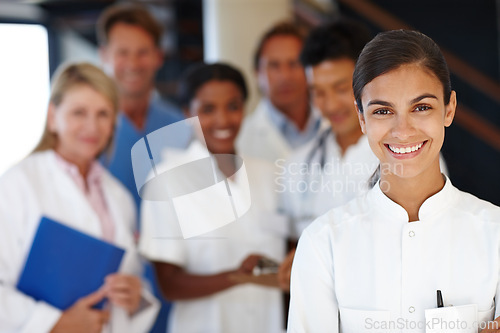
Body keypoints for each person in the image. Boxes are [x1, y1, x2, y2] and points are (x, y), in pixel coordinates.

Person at [287, 29, 500, 332]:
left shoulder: (495, 234)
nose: (403, 130)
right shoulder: (324, 243)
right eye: (383, 111)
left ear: (449, 108)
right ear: (362, 118)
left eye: (421, 107)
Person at [0, 62, 159, 333]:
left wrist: (136, 298)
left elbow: (129, 276)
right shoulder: (16, 184)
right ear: (53, 117)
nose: (92, 126)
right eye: (79, 113)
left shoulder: (118, 197)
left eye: (102, 114)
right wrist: (56, 324)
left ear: (113, 123)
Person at [139, 63, 288, 333]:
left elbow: (290, 249)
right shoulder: (167, 180)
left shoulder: (268, 175)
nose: (223, 120)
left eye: (233, 106)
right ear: (187, 113)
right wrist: (238, 277)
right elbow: (170, 285)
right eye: (207, 109)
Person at [97, 3, 186, 212]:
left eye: (142, 52)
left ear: (159, 57)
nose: (133, 64)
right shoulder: (89, 129)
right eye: (122, 52)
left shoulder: (180, 127)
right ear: (104, 55)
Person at [237, 21, 322, 163]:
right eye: (274, 66)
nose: (285, 76)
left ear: (310, 68)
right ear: (257, 73)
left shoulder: (332, 124)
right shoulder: (240, 139)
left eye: (294, 63)